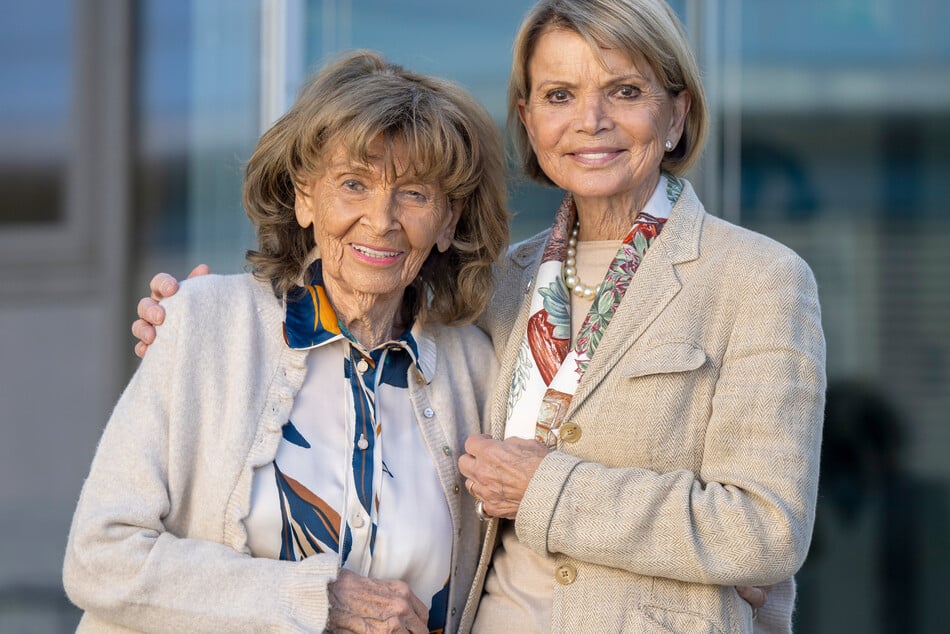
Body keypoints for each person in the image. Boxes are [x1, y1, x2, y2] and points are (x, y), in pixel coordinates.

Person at [131, 1, 822, 631]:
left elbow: (764, 530)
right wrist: (205, 336)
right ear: (528, 120)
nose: (591, 120)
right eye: (559, 95)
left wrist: (546, 488)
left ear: (676, 114)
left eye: (626, 90)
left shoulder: (758, 280)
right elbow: (356, 323)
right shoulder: (493, 286)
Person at [63, 50, 509, 633]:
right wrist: (317, 600)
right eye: (354, 184)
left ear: (449, 221)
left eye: (416, 194)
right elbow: (100, 558)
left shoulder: (476, 369)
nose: (382, 219)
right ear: (305, 197)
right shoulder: (204, 324)